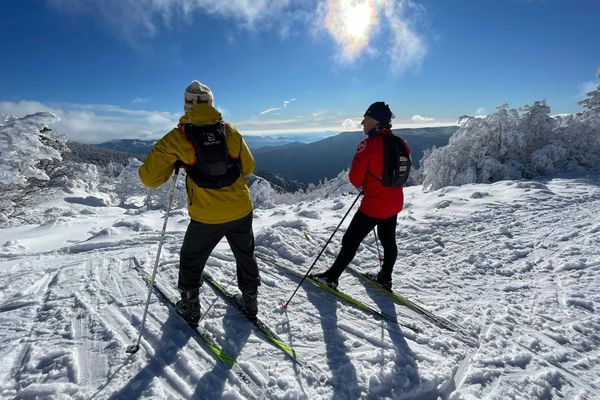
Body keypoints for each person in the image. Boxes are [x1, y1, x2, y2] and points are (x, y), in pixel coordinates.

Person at [139, 80, 260, 325]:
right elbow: (249, 166)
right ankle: (250, 300)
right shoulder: (230, 131)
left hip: (207, 215)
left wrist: (176, 162)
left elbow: (149, 178)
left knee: (192, 257)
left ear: (187, 105)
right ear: (212, 103)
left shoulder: (177, 138)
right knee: (245, 253)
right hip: (240, 208)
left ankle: (190, 305)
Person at [312, 102, 410, 291]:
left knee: (350, 240)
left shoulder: (368, 144)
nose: (362, 123)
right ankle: (385, 278)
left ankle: (331, 277)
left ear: (375, 122)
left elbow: (355, 179)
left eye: (365, 120)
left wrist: (368, 181)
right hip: (394, 202)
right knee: (388, 241)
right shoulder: (401, 143)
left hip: (374, 205)